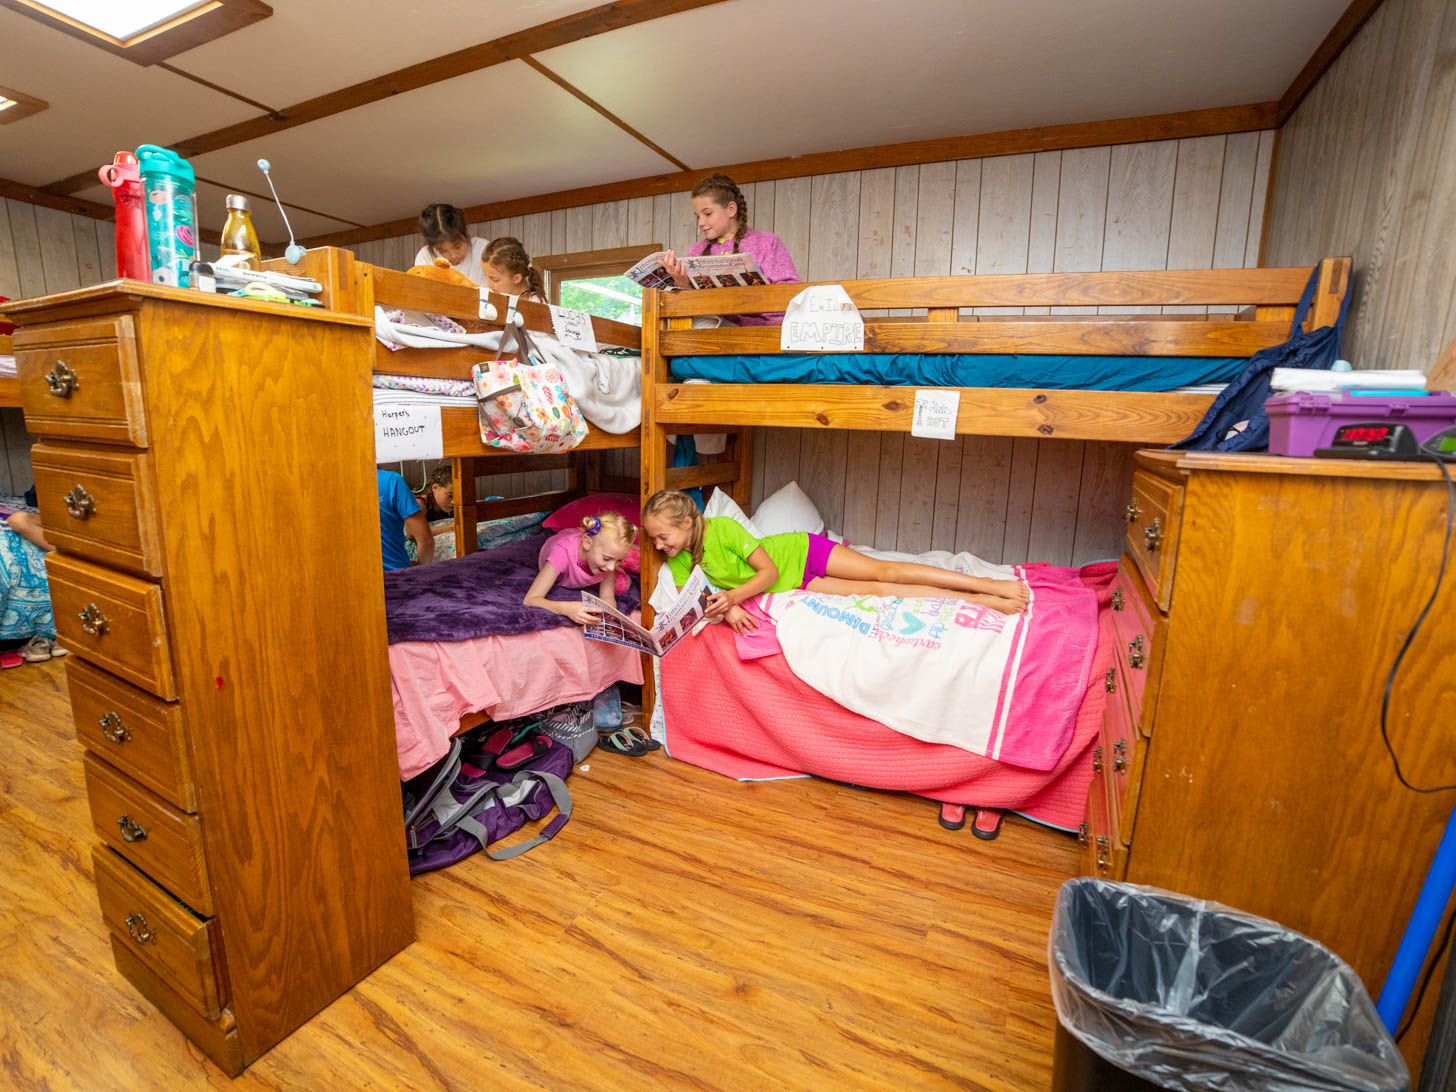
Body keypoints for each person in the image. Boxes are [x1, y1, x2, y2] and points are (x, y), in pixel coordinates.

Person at [641, 490, 1028, 636]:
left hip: (801, 553)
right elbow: (692, 599)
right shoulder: (679, 560)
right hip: (797, 584)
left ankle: (990, 585)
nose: (660, 545)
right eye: (655, 539)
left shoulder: (722, 528)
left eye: (664, 536)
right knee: (879, 591)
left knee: (884, 570)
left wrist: (733, 598)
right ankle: (986, 604)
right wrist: (723, 612)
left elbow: (768, 572)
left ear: (688, 523)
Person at [659, 173, 800, 325]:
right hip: (714, 327)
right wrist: (682, 283)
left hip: (763, 329)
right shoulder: (696, 250)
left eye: (707, 214)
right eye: (697, 216)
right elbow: (691, 309)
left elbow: (790, 292)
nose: (700, 222)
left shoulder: (766, 241)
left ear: (731, 209)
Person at [523, 512, 636, 625]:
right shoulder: (561, 554)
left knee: (623, 580)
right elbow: (530, 600)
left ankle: (629, 554)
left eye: (619, 561)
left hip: (586, 540)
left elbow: (608, 598)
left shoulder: (607, 563)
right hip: (565, 540)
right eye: (606, 559)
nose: (612, 567)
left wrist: (609, 618)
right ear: (587, 543)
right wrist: (566, 609)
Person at [413, 203, 489, 288]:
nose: (453, 255)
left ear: (466, 232)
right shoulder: (425, 257)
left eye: (457, 247)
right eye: (443, 251)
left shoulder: (483, 250)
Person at [379, 468, 433, 571]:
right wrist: (422, 571)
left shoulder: (340, 484)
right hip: (396, 575)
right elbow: (426, 540)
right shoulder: (391, 481)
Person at [481, 237, 546, 302]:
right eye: (486, 276)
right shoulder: (490, 294)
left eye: (495, 280)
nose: (488, 284)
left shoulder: (535, 302)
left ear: (516, 278)